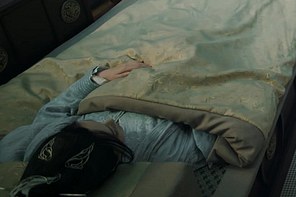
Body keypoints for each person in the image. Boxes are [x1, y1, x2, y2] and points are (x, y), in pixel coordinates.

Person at [0, 61, 215, 195]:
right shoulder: (160, 149)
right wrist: (185, 97)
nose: (111, 122)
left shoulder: (49, 139)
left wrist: (98, 77)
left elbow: (57, 108)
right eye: (113, 132)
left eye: (90, 122)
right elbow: (205, 136)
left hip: (131, 79)